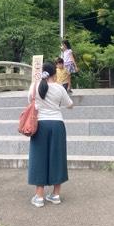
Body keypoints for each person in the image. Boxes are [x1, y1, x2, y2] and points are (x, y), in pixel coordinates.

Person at [28, 61, 74, 207]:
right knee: (57, 157)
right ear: (54, 73)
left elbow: (30, 101)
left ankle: (39, 196)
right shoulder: (59, 88)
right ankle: (55, 195)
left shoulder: (35, 86)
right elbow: (70, 104)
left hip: (40, 125)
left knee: (39, 158)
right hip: (57, 125)